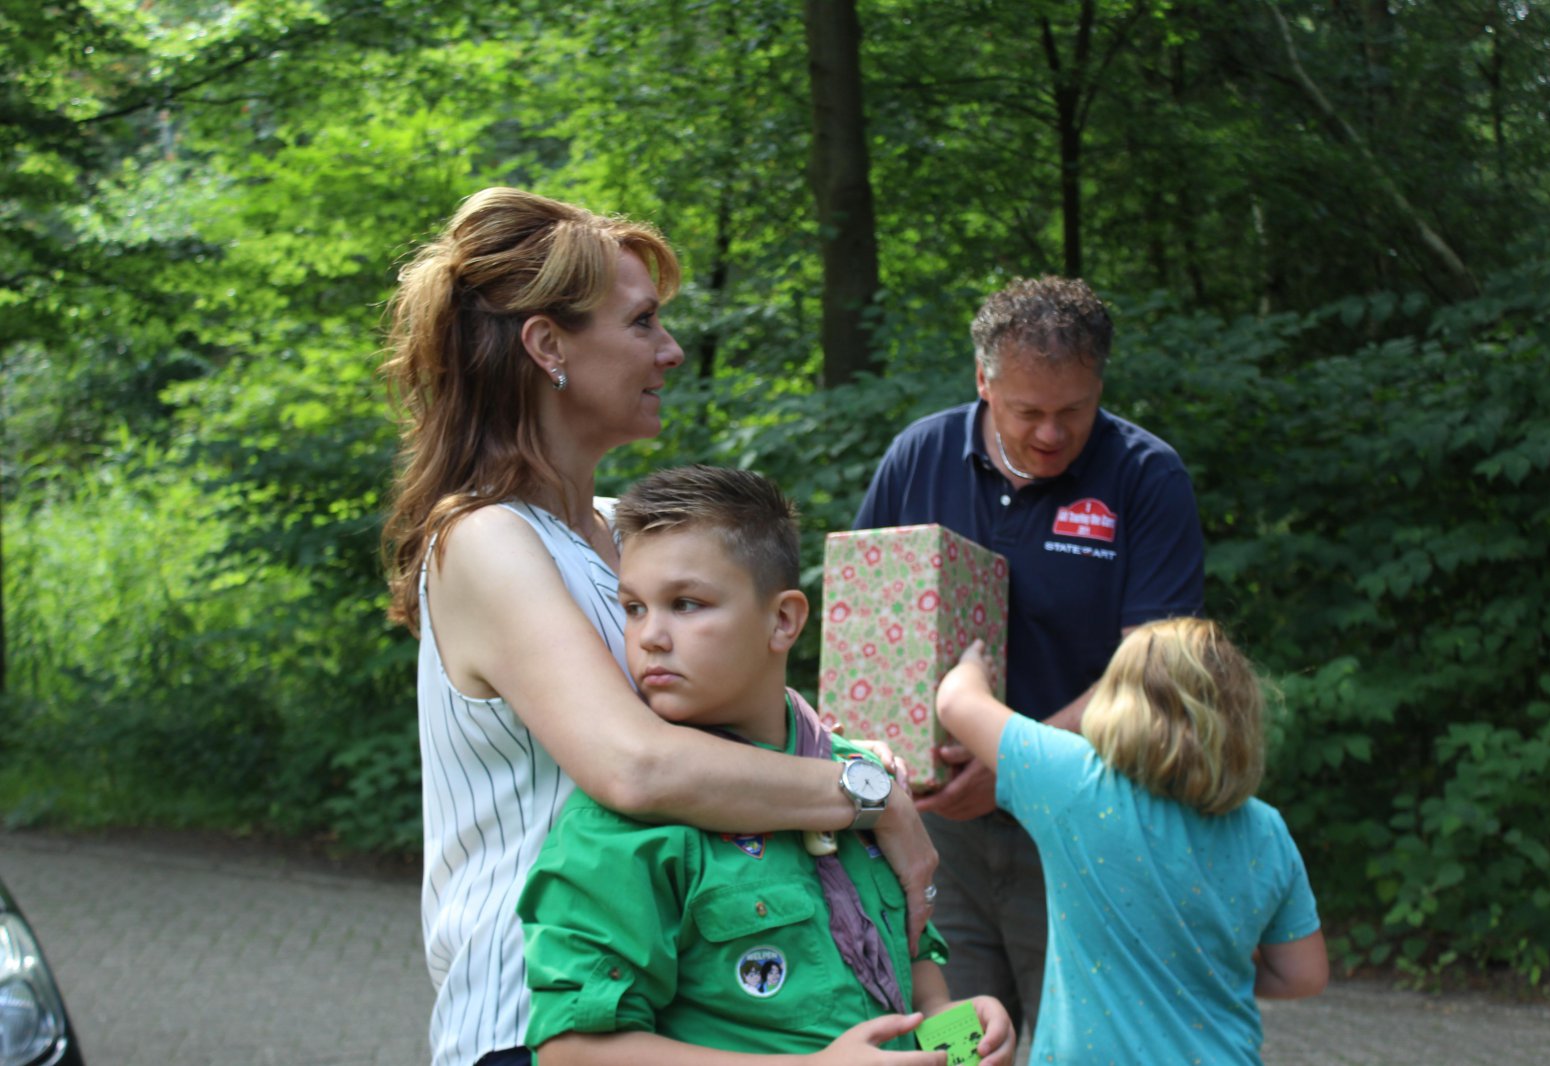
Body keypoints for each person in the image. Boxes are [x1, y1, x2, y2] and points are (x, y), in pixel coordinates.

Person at [381, 189, 937, 1066]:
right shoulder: (485, 540)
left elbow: (749, 724)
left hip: (683, 1021)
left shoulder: (622, 531)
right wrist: (868, 797)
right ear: (548, 346)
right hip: (535, 1024)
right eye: (642, 323)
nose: (671, 350)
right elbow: (635, 766)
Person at [518, 465, 1015, 1065]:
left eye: (686, 604)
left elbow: (915, 967)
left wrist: (957, 1030)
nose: (650, 636)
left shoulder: (862, 780)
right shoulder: (621, 823)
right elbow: (573, 1050)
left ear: (783, 620)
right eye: (634, 607)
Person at [852, 276, 1205, 1032]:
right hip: (937, 828)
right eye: (1027, 412)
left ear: (1099, 386)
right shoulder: (919, 456)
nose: (1050, 434)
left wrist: (1016, 760)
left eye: (1073, 411)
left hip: (1084, 816)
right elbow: (866, 619)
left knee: (1078, 1036)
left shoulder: (1146, 476)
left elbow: (1153, 670)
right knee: (955, 1034)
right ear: (983, 382)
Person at [936, 620, 1328, 1063]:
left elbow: (955, 702)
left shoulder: (1073, 782)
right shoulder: (1265, 828)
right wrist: (1204, 970)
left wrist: (974, 663)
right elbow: (1304, 975)